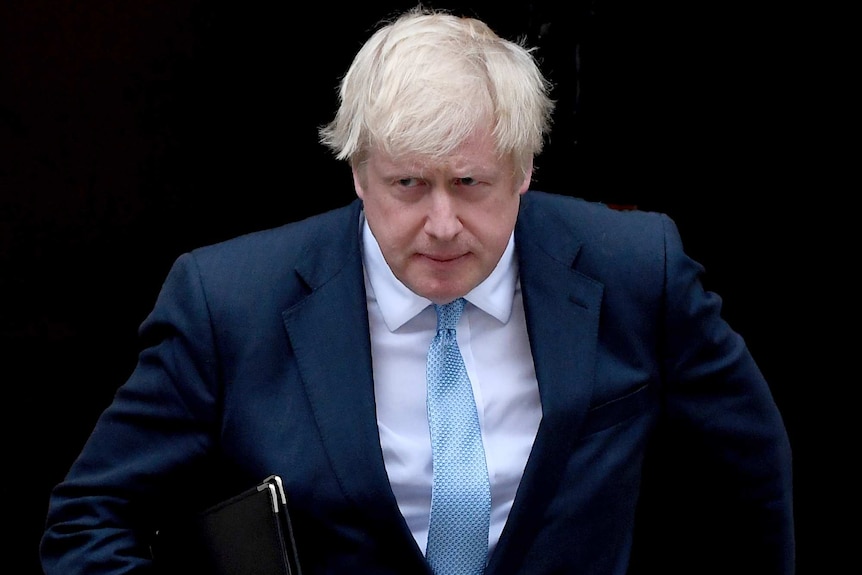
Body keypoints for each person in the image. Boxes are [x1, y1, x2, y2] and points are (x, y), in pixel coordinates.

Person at [40, 6, 795, 575]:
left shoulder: (636, 267)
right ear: (358, 172)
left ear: (525, 171)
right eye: (407, 184)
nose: (441, 224)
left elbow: (750, 479)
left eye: (470, 184)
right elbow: (87, 521)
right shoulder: (229, 300)